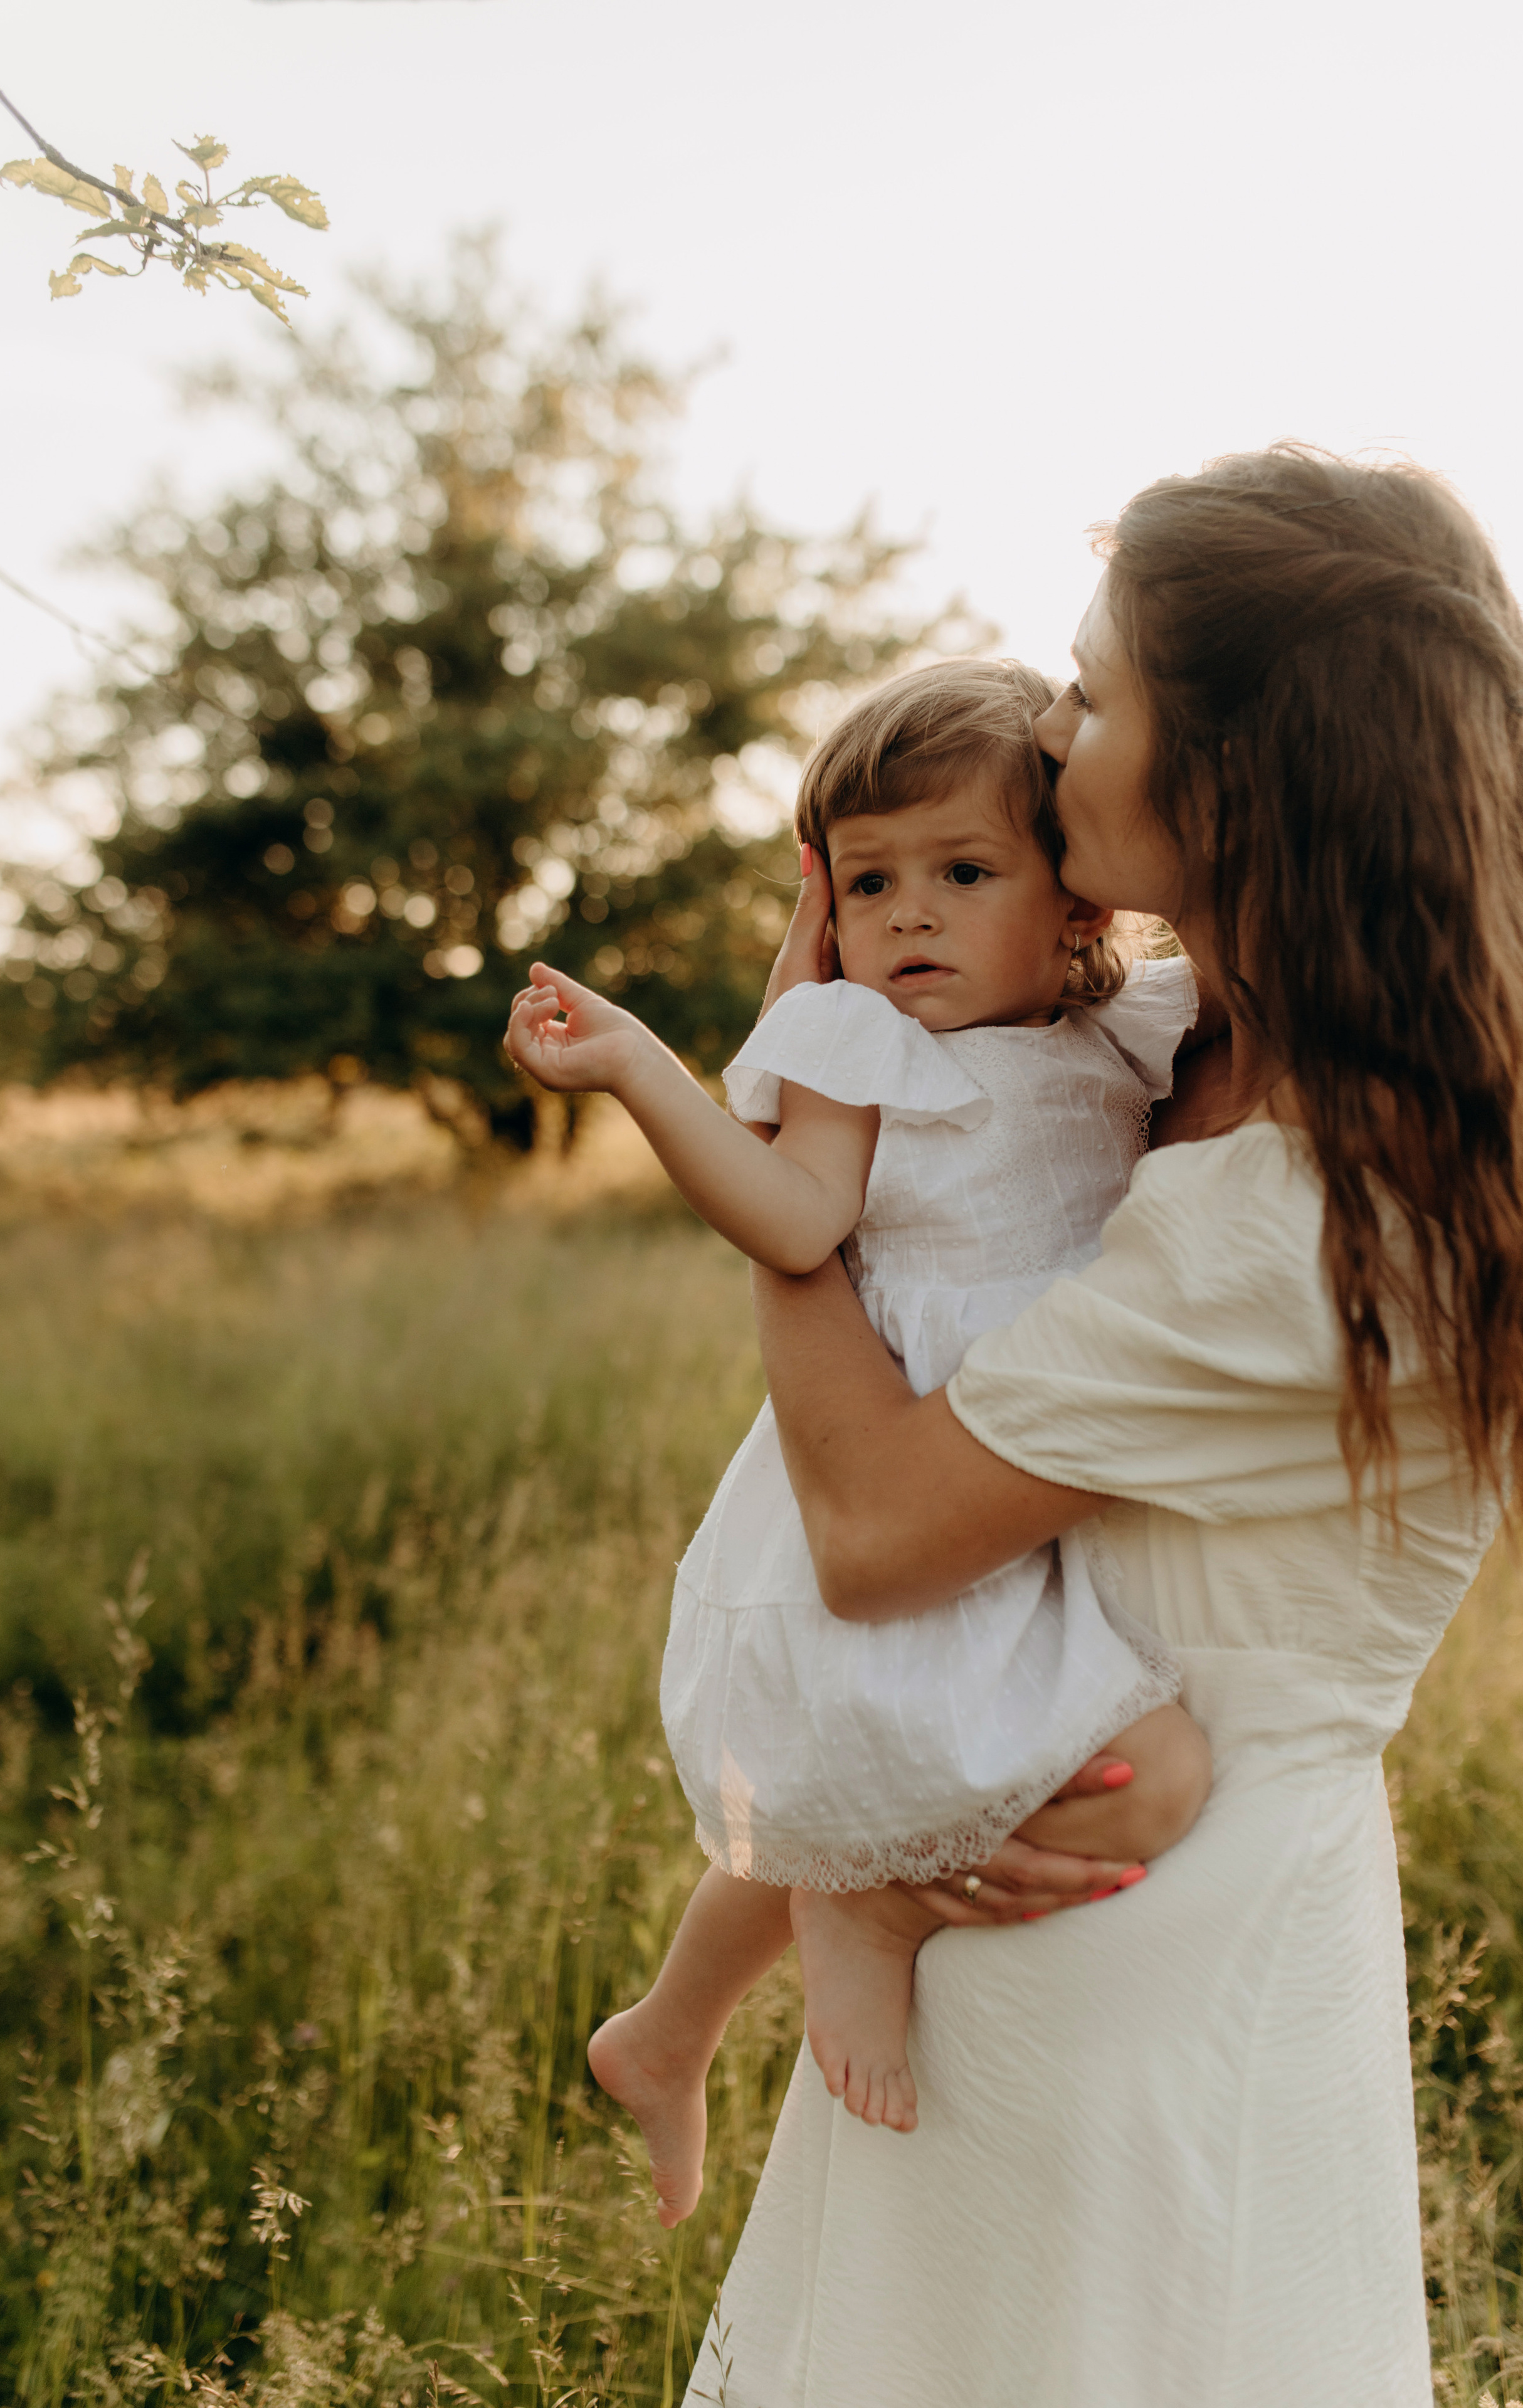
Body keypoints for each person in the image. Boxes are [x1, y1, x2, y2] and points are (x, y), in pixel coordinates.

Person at [693, 445, 1523, 2405]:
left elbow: (868, 1525)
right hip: (997, 1857)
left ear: (1231, 773)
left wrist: (797, 1149)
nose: (1054, 735)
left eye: (1097, 698)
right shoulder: (1196, 1045)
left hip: (1143, 1949)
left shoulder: (1320, 1208)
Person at [505, 657, 1212, 2227]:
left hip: (1029, 1453)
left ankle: (667, 2031)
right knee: (948, 1758)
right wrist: (640, 1068)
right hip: (902, 1432)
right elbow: (788, 1216)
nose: (910, 917)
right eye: (871, 880)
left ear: (1079, 905)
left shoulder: (1130, 1032)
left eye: (964, 874)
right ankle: (863, 1919)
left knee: (890, 1756)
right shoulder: (852, 1046)